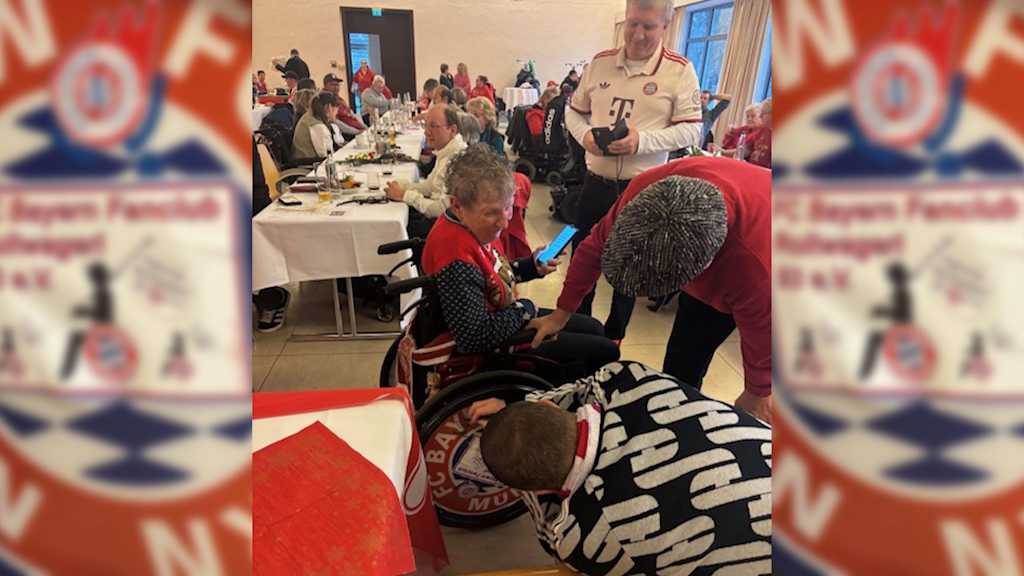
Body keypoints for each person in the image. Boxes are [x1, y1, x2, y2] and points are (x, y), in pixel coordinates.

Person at [529, 157, 772, 423]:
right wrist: (560, 315)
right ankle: (675, 411)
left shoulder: (755, 271)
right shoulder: (644, 191)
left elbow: (763, 345)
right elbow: (591, 251)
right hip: (730, 221)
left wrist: (757, 392)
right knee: (682, 363)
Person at [471, 361, 771, 576]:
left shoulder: (584, 537)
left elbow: (552, 538)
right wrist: (521, 406)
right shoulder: (626, 377)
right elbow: (578, 389)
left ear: (538, 490)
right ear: (551, 408)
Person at [564, 0, 703, 342]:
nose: (638, 35)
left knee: (630, 269)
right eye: (632, 24)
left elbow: (691, 131)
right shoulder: (600, 63)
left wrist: (642, 141)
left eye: (648, 27)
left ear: (665, 26)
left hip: (642, 187)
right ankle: (578, 331)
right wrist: (584, 137)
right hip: (595, 183)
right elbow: (573, 112)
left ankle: (614, 339)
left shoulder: (680, 69)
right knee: (583, 259)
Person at [420, 144, 619, 379]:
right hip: (488, 345)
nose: (504, 222)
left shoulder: (473, 228)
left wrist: (530, 267)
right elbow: (473, 337)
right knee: (604, 351)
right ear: (457, 206)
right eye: (492, 213)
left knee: (595, 328)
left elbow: (492, 274)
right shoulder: (455, 258)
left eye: (507, 209)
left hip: (501, 317)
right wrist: (526, 309)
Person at [385, 105, 467, 235]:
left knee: (389, 228)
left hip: (442, 228)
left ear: (452, 129)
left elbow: (443, 210)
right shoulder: (446, 151)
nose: (426, 132)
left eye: (433, 126)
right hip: (435, 219)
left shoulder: (457, 160)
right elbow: (430, 187)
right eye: (426, 125)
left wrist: (404, 195)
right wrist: (403, 186)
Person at [292, 91, 342, 160]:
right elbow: (324, 156)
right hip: (309, 165)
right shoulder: (317, 126)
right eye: (336, 109)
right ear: (328, 107)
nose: (337, 113)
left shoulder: (309, 116)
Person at [744, 98, 771, 168]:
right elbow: (745, 151)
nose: (760, 116)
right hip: (750, 169)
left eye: (763, 113)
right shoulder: (762, 130)